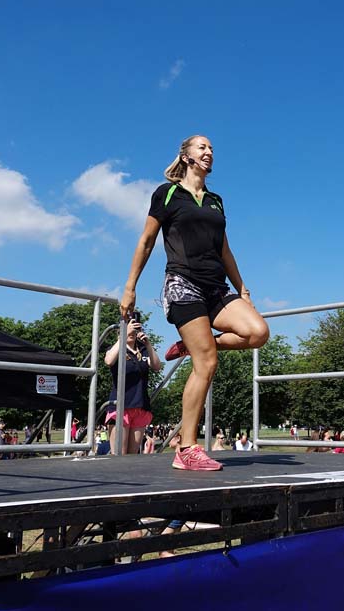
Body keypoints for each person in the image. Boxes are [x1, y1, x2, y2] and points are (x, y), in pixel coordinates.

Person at [120, 135, 269, 472]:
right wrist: (130, 288)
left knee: (258, 332)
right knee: (208, 363)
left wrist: (242, 288)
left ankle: (191, 346)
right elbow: (146, 242)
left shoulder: (216, 201)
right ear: (186, 156)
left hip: (215, 287)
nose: (209, 151)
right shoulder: (167, 193)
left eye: (212, 148)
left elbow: (224, 250)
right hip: (182, 283)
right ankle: (186, 448)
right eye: (202, 147)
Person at [105, 312, 162, 455]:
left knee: (133, 455)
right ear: (120, 329)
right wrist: (124, 335)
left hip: (140, 405)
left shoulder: (142, 350)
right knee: (119, 454)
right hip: (121, 406)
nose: (132, 332)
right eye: (128, 328)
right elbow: (109, 361)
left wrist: (148, 344)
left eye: (135, 329)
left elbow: (156, 366)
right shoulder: (117, 348)